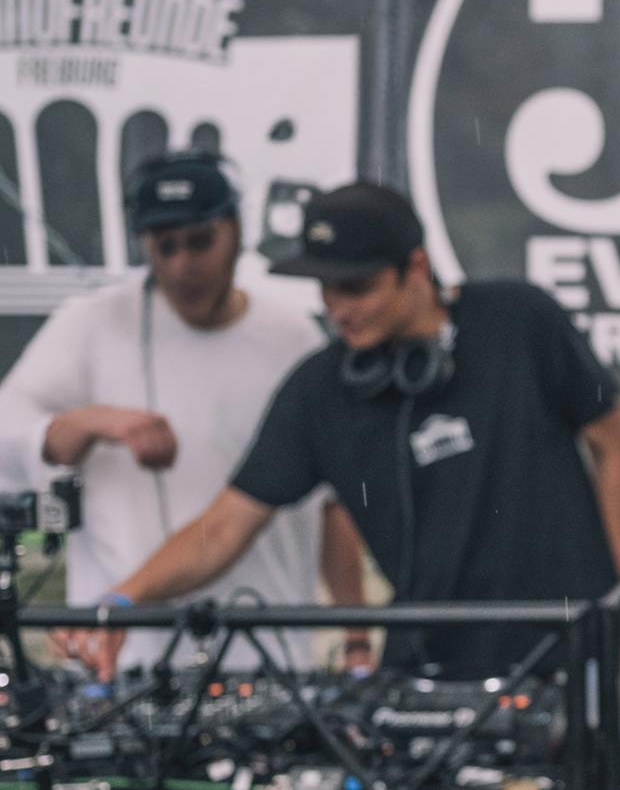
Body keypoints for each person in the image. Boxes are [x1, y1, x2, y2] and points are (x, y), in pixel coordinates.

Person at [63, 179, 620, 790]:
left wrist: (619, 594)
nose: (341, 308)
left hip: (550, 663)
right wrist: (117, 603)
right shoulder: (321, 393)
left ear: (416, 268)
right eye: (328, 289)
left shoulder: (520, 321)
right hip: (428, 683)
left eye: (359, 286)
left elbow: (611, 440)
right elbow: (224, 527)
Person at [0, 149, 367, 674]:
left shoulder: (295, 337)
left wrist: (355, 640)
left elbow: (333, 505)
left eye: (200, 242)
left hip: (267, 656)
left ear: (236, 231)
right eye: (163, 246)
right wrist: (91, 422)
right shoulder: (90, 324)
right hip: (123, 659)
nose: (182, 265)